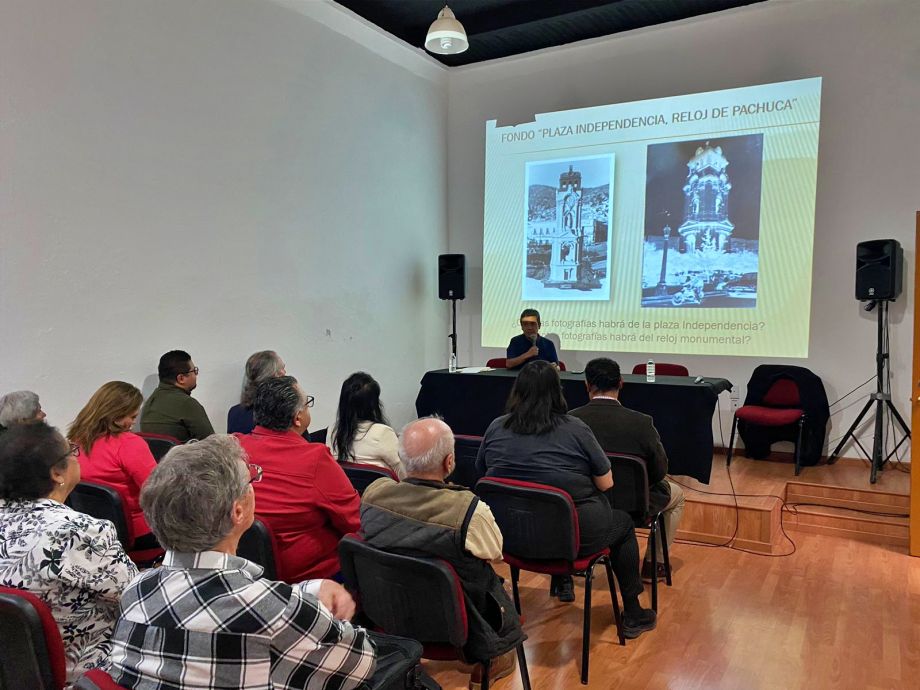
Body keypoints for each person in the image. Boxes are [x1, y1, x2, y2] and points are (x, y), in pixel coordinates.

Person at [108, 434, 386, 690]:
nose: (255, 485)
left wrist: (308, 592)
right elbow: (361, 663)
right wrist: (311, 609)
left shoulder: (136, 591)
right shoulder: (274, 610)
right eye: (251, 480)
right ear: (238, 511)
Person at [476, 360, 656, 639]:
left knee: (547, 511)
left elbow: (482, 470)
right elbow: (607, 482)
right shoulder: (575, 428)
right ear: (557, 392)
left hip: (510, 536)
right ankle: (633, 612)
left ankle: (562, 584)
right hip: (573, 538)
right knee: (621, 525)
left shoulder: (496, 427)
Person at [361, 417, 522, 690]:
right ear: (449, 462)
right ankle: (494, 660)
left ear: (401, 459)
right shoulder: (469, 510)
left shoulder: (372, 495)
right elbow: (495, 553)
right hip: (456, 627)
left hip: (388, 613)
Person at [0, 424, 138, 684]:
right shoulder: (81, 531)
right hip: (83, 672)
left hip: (11, 671)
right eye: (72, 451)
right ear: (56, 473)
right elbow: (136, 597)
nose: (77, 456)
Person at [234, 376, 360, 582]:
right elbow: (355, 522)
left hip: (246, 576)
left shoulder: (234, 448)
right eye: (307, 404)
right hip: (311, 583)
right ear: (297, 418)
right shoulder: (315, 459)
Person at [570, 358, 685, 581]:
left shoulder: (571, 419)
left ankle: (581, 559)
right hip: (633, 506)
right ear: (621, 383)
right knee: (677, 495)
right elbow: (659, 470)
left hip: (585, 503)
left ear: (587, 385)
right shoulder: (641, 422)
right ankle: (655, 565)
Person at [68, 381, 159, 549]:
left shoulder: (74, 442)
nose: (133, 423)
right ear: (116, 416)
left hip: (94, 533)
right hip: (139, 533)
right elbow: (158, 493)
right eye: (131, 417)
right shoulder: (129, 444)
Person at [328, 372, 405, 479]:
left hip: (347, 494)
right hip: (380, 494)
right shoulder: (383, 433)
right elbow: (404, 476)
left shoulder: (332, 432)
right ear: (374, 404)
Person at [139, 350, 214, 442]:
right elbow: (211, 444)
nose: (196, 375)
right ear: (181, 378)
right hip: (183, 456)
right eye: (194, 371)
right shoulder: (187, 404)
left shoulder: (151, 401)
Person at [226, 350, 286, 434]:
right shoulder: (284, 413)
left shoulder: (234, 412)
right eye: (282, 368)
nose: (285, 373)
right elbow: (301, 443)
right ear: (274, 375)